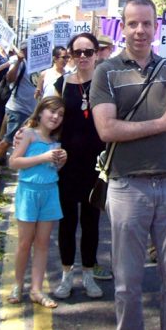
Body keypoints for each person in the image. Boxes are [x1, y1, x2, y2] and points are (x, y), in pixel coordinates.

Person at [90, 0, 166, 330]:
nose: (140, 30)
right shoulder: (106, 72)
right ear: (123, 26)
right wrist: (160, 124)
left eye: (147, 23)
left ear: (156, 26)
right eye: (133, 23)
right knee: (128, 285)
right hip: (127, 186)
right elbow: (106, 129)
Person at [50, 33, 111, 301]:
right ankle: (66, 275)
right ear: (71, 55)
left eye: (88, 52)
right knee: (66, 221)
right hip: (66, 163)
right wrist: (28, 135)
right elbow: (49, 119)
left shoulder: (106, 83)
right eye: (78, 52)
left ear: (97, 53)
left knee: (91, 221)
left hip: (96, 165)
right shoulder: (61, 84)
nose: (83, 57)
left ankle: (88, 273)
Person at [7, 96, 67, 308]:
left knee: (42, 244)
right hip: (29, 193)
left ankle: (36, 289)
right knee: (24, 242)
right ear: (40, 112)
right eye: (52, 112)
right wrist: (43, 157)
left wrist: (60, 161)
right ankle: (17, 285)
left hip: (50, 192)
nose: (56, 117)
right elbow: (14, 162)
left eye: (60, 114)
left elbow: (52, 169)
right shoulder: (28, 134)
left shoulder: (56, 141)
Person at [0, 43, 37, 174]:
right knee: (8, 139)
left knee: (16, 139)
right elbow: (9, 78)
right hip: (18, 108)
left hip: (31, 109)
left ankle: (1, 160)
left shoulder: (38, 65)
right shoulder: (19, 62)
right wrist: (18, 61)